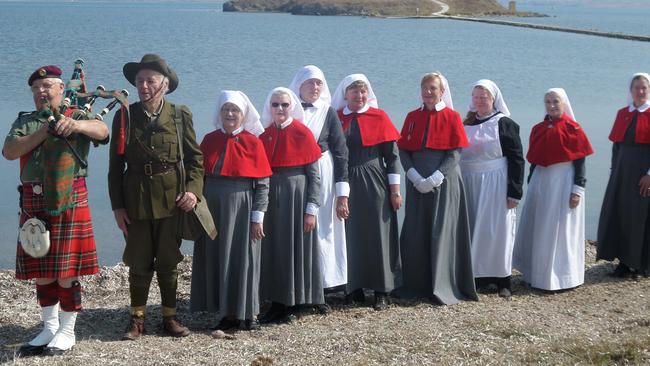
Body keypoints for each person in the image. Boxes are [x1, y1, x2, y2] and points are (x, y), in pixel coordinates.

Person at [3, 65, 109, 356]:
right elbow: (10, 151)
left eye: (48, 86)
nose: (41, 92)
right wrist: (45, 131)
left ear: (62, 89)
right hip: (33, 200)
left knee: (66, 269)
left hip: (69, 198)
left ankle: (67, 331)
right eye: (37, 88)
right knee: (41, 267)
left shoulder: (75, 114)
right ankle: (49, 328)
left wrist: (75, 125)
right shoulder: (25, 121)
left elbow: (102, 131)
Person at [108, 54, 204, 339]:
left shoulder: (179, 115)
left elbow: (196, 160)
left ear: (165, 84)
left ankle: (169, 318)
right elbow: (115, 167)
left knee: (168, 260)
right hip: (135, 199)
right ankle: (137, 319)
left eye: (150, 80)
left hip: (172, 200)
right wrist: (117, 207)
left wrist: (193, 192)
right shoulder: (124, 115)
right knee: (138, 262)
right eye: (140, 81)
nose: (144, 86)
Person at [190, 90, 271, 331]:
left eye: (235, 110)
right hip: (212, 209)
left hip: (243, 208)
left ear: (243, 114)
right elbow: (197, 177)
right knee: (218, 257)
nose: (230, 114)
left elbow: (263, 184)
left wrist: (258, 217)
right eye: (226, 109)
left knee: (245, 258)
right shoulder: (209, 140)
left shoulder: (253, 142)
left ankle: (249, 314)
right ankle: (226, 313)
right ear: (220, 112)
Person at [395, 72, 477, 305]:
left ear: (442, 92)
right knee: (416, 231)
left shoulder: (452, 117)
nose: (428, 92)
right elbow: (403, 149)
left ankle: (442, 285)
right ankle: (416, 284)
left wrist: (436, 177)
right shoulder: (412, 116)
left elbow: (455, 153)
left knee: (441, 232)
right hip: (416, 183)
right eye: (425, 88)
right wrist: (412, 175)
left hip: (444, 182)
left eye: (433, 88)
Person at [331, 74, 402, 310]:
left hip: (374, 179)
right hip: (344, 180)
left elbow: (392, 158)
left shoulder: (379, 117)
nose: (359, 96)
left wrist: (395, 190)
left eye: (363, 92)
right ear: (345, 94)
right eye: (354, 92)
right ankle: (354, 287)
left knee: (378, 233)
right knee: (349, 234)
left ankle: (383, 289)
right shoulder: (336, 118)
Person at [513, 88, 593, 291]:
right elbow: (534, 160)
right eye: (548, 101)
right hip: (541, 181)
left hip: (563, 181)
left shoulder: (573, 129)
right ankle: (536, 274)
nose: (551, 105)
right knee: (538, 227)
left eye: (555, 101)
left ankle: (562, 278)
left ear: (564, 103)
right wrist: (530, 184)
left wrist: (578, 189)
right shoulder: (538, 128)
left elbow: (580, 162)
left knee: (561, 230)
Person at [258, 87, 324, 323]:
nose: (280, 109)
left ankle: (295, 302)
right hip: (271, 198)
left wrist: (311, 209)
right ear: (269, 107)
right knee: (273, 249)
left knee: (296, 250)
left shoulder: (302, 133)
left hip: (297, 198)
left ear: (292, 107)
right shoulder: (263, 135)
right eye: (275, 105)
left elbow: (315, 176)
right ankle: (275, 301)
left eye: (285, 105)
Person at [289, 65, 349, 313]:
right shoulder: (287, 108)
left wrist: (342, 193)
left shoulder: (328, 112)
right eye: (310, 83)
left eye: (319, 84)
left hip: (322, 171)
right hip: (292, 173)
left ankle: (321, 288)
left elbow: (341, 151)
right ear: (299, 85)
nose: (315, 88)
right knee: (296, 226)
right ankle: (293, 286)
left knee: (322, 228)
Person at [461, 79, 524, 298]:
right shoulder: (466, 123)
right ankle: (477, 276)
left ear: (494, 99)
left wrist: (514, 192)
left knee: (498, 229)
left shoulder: (504, 123)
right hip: (469, 181)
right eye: (476, 97)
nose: (479, 101)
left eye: (484, 97)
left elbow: (517, 159)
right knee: (474, 228)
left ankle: (502, 278)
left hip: (496, 181)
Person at [597, 73, 650, 278]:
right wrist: (613, 171)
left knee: (640, 218)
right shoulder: (623, 113)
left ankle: (639, 264)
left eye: (644, 87)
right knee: (621, 214)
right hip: (621, 172)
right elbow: (616, 145)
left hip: (642, 174)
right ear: (631, 90)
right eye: (636, 87)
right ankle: (623, 261)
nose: (640, 91)